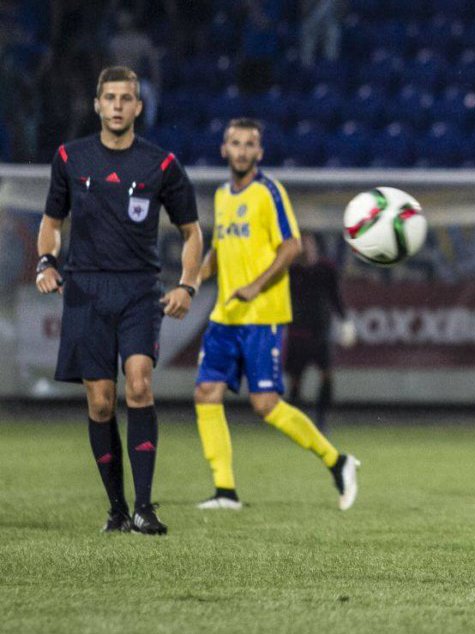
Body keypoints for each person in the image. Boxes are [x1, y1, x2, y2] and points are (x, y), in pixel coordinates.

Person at [36, 66, 202, 535]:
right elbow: (52, 221)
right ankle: (117, 509)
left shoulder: (162, 165)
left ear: (137, 107)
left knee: (139, 385)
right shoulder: (70, 157)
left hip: (138, 290)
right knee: (102, 402)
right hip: (86, 289)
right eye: (108, 97)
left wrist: (187, 285)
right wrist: (46, 262)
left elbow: (192, 232)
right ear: (96, 104)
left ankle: (146, 508)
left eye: (125, 98)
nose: (116, 106)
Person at [193, 118, 359, 511]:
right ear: (224, 149)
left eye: (250, 144)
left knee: (265, 404)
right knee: (205, 393)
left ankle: (337, 461)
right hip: (225, 315)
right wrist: (193, 280)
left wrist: (257, 285)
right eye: (236, 143)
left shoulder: (269, 192)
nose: (242, 150)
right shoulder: (221, 196)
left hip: (262, 315)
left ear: (259, 153)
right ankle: (225, 491)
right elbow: (219, 249)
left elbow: (292, 246)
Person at [285, 232, 356, 432]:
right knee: (295, 379)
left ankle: (321, 420)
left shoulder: (326, 269)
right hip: (297, 334)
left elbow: (336, 297)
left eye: (309, 245)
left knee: (327, 375)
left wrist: (345, 321)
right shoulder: (291, 271)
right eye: (302, 245)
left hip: (320, 333)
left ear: (315, 247)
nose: (306, 250)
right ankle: (295, 423)